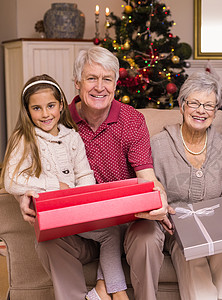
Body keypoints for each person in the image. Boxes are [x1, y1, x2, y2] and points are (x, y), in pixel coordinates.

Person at [14, 47, 168, 300]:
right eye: (91, 78)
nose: (100, 87)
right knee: (47, 241)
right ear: (76, 83)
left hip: (127, 224)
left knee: (148, 237)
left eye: (107, 79)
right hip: (79, 226)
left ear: (116, 85)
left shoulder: (132, 120)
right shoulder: (56, 121)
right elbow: (25, 166)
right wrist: (26, 193)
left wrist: (160, 200)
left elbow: (147, 176)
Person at [1, 74, 131, 300]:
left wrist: (87, 200)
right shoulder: (25, 138)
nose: (45, 114)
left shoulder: (72, 137)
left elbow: (84, 173)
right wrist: (54, 186)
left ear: (61, 105)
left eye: (50, 106)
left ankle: (114, 291)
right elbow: (11, 180)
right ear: (27, 110)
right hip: (54, 222)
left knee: (112, 231)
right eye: (37, 108)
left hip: (79, 217)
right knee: (48, 242)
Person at [150, 71, 222, 300]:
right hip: (178, 230)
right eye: (195, 103)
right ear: (182, 105)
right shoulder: (159, 145)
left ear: (215, 111)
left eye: (209, 105)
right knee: (192, 257)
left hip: (218, 227)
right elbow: (152, 192)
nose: (201, 110)